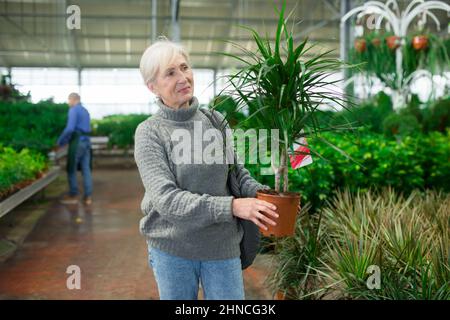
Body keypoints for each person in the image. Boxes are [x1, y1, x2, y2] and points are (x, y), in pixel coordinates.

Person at [134, 37, 279, 300]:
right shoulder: (150, 133)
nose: (183, 77)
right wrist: (233, 207)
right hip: (173, 248)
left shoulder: (214, 120)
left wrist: (265, 196)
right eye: (170, 73)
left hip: (221, 246)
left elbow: (236, 174)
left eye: (185, 67)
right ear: (152, 87)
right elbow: (167, 200)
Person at [56, 92, 93, 205]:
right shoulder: (85, 110)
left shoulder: (73, 110)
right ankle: (88, 196)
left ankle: (73, 194)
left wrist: (60, 142)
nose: (68, 103)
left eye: (69, 100)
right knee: (86, 169)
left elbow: (69, 129)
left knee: (71, 168)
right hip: (87, 142)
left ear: (72, 99)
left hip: (77, 142)